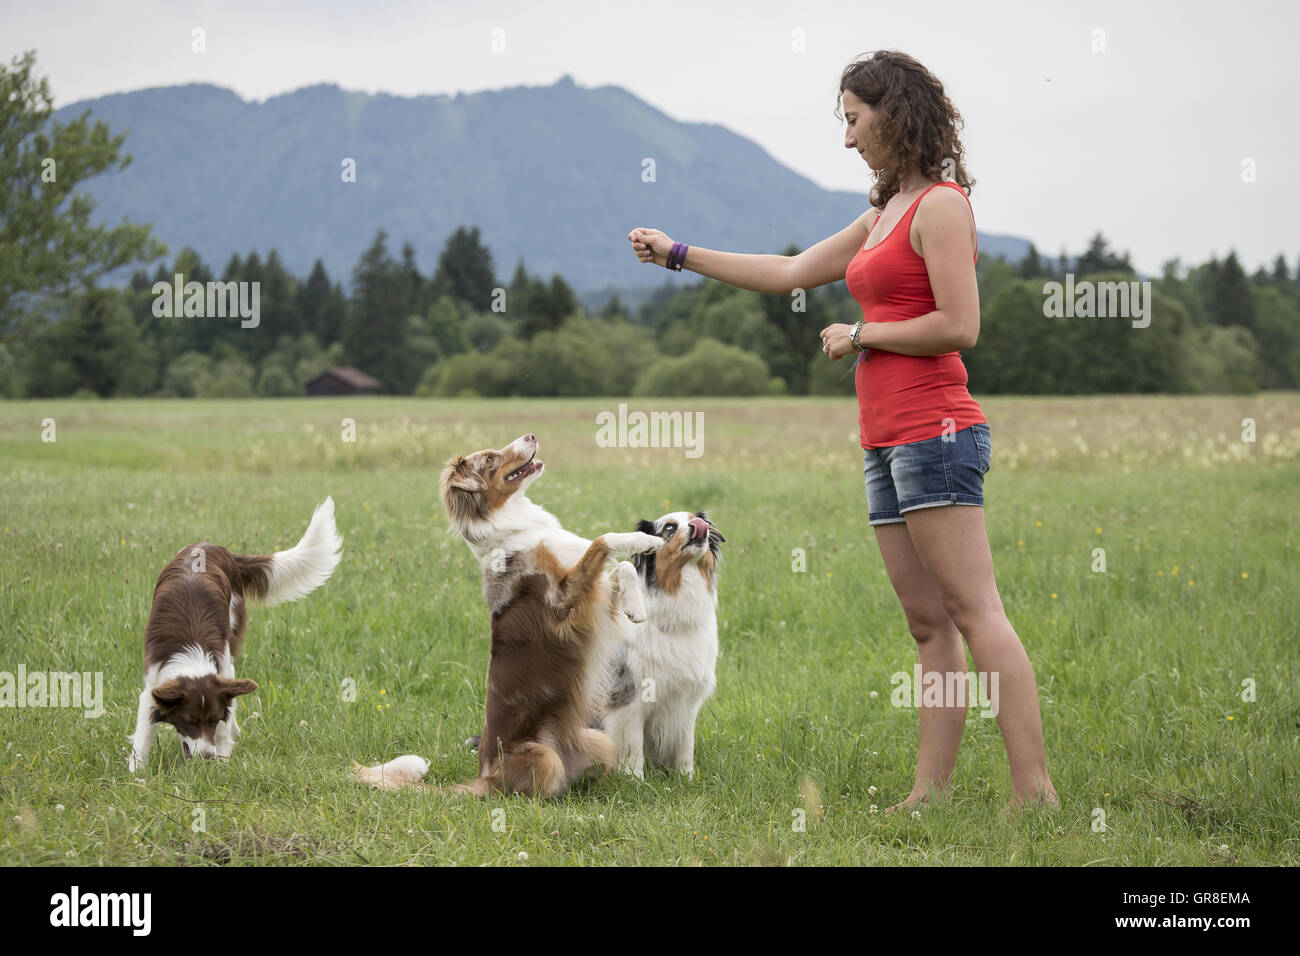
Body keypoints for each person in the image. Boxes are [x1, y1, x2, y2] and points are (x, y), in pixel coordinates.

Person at [627, 50, 1058, 813]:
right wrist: (681, 254)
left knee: (974, 613)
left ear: (893, 114)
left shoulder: (942, 207)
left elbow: (962, 325)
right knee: (929, 625)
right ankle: (930, 793)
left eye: (855, 121)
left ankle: (1036, 795)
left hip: (938, 433)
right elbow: (791, 272)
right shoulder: (883, 213)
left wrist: (863, 335)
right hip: (885, 442)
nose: (849, 138)